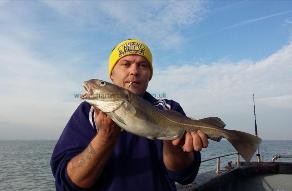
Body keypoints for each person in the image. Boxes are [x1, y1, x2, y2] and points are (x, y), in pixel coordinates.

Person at [51, 39, 209, 191]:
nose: (134, 71)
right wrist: (105, 137)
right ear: (112, 75)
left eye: (142, 65)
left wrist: (172, 140)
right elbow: (68, 183)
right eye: (126, 64)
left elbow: (184, 175)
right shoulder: (87, 113)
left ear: (149, 75)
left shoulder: (169, 109)